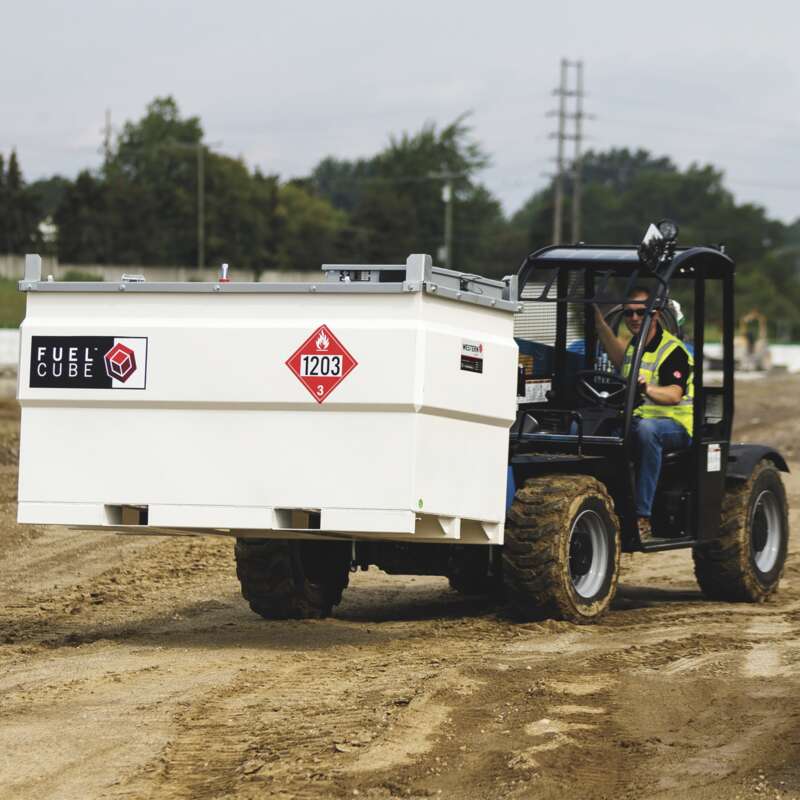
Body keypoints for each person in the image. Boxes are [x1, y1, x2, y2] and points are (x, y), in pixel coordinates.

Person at [594, 288, 693, 542]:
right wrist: (599, 324)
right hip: (637, 421)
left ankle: (643, 515)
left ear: (655, 314)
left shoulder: (673, 350)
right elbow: (619, 360)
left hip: (676, 426)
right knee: (594, 429)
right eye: (629, 313)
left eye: (641, 312)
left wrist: (647, 388)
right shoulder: (635, 346)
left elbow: (674, 395)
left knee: (648, 431)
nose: (634, 318)